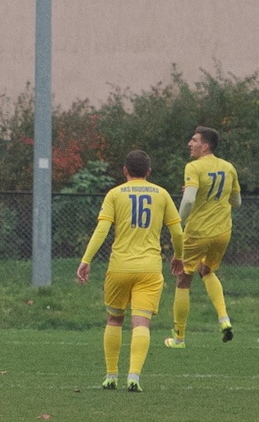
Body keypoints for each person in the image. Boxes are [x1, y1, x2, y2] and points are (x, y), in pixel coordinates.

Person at [76, 150, 183, 393]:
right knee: (141, 323)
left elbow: (102, 230)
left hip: (119, 267)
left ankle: (111, 375)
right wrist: (179, 256)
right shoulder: (162, 194)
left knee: (114, 319)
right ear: (149, 172)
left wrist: (86, 259)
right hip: (149, 269)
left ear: (125, 170)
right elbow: (177, 232)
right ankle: (134, 376)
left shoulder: (115, 194)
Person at [165, 126, 241, 348]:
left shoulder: (194, 167)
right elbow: (236, 202)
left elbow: (188, 201)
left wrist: (176, 226)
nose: (190, 143)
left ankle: (179, 338)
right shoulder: (228, 167)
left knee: (183, 280)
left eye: (194, 140)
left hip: (198, 233)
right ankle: (224, 319)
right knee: (207, 270)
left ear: (205, 145)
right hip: (222, 232)